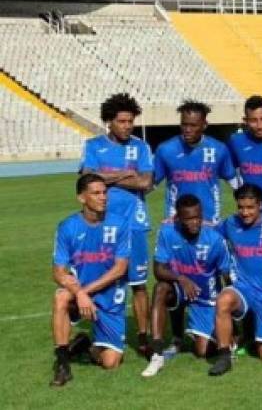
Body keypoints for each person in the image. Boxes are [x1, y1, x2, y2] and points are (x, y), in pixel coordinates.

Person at [79, 93, 154, 357]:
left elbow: (145, 182)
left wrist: (105, 178)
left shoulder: (141, 147)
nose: (127, 126)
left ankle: (143, 337)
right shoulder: (93, 145)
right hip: (102, 225)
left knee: (139, 284)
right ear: (109, 122)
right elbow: (87, 180)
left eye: (130, 121)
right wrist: (124, 173)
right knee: (103, 282)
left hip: (134, 225)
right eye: (122, 121)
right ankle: (101, 336)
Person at [50, 173, 131, 386]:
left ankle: (84, 345)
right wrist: (79, 293)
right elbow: (58, 272)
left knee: (110, 363)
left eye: (104, 192)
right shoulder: (67, 227)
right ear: (81, 198)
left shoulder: (120, 224)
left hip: (110, 297)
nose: (103, 197)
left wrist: (86, 292)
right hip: (81, 294)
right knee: (60, 297)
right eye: (96, 193)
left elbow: (120, 269)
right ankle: (62, 363)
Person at [141, 194, 230, 377]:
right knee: (161, 288)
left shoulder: (214, 239)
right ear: (178, 218)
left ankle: (212, 337)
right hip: (181, 288)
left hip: (207, 298)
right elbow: (158, 270)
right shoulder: (167, 232)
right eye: (188, 218)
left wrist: (232, 317)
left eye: (197, 217)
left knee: (202, 351)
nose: (195, 222)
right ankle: (157, 353)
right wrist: (182, 279)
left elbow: (227, 277)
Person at [209, 185, 262, 376]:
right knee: (223, 300)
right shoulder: (231, 224)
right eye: (241, 207)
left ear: (261, 205)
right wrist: (181, 221)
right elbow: (210, 229)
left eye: (250, 207)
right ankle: (224, 356)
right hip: (243, 289)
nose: (245, 212)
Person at [154, 100, 235, 226]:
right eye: (184, 124)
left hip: (209, 222)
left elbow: (235, 183)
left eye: (193, 125)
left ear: (204, 125)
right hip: (176, 222)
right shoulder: (166, 149)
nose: (187, 129)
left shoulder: (219, 149)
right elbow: (149, 184)